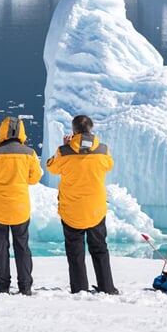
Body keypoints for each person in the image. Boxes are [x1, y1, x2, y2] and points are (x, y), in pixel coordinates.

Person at [46, 115, 118, 295]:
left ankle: (79, 289)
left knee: (75, 250)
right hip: (96, 208)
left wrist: (63, 146)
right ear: (91, 129)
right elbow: (109, 165)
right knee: (100, 248)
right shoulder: (103, 150)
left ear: (74, 131)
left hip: (72, 209)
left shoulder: (64, 151)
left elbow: (51, 167)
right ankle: (107, 287)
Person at [0, 116, 42, 295]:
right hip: (20, 207)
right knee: (22, 246)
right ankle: (25, 286)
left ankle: (3, 284)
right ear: (21, 131)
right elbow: (35, 178)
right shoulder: (29, 153)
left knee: (0, 246)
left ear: (2, 130)